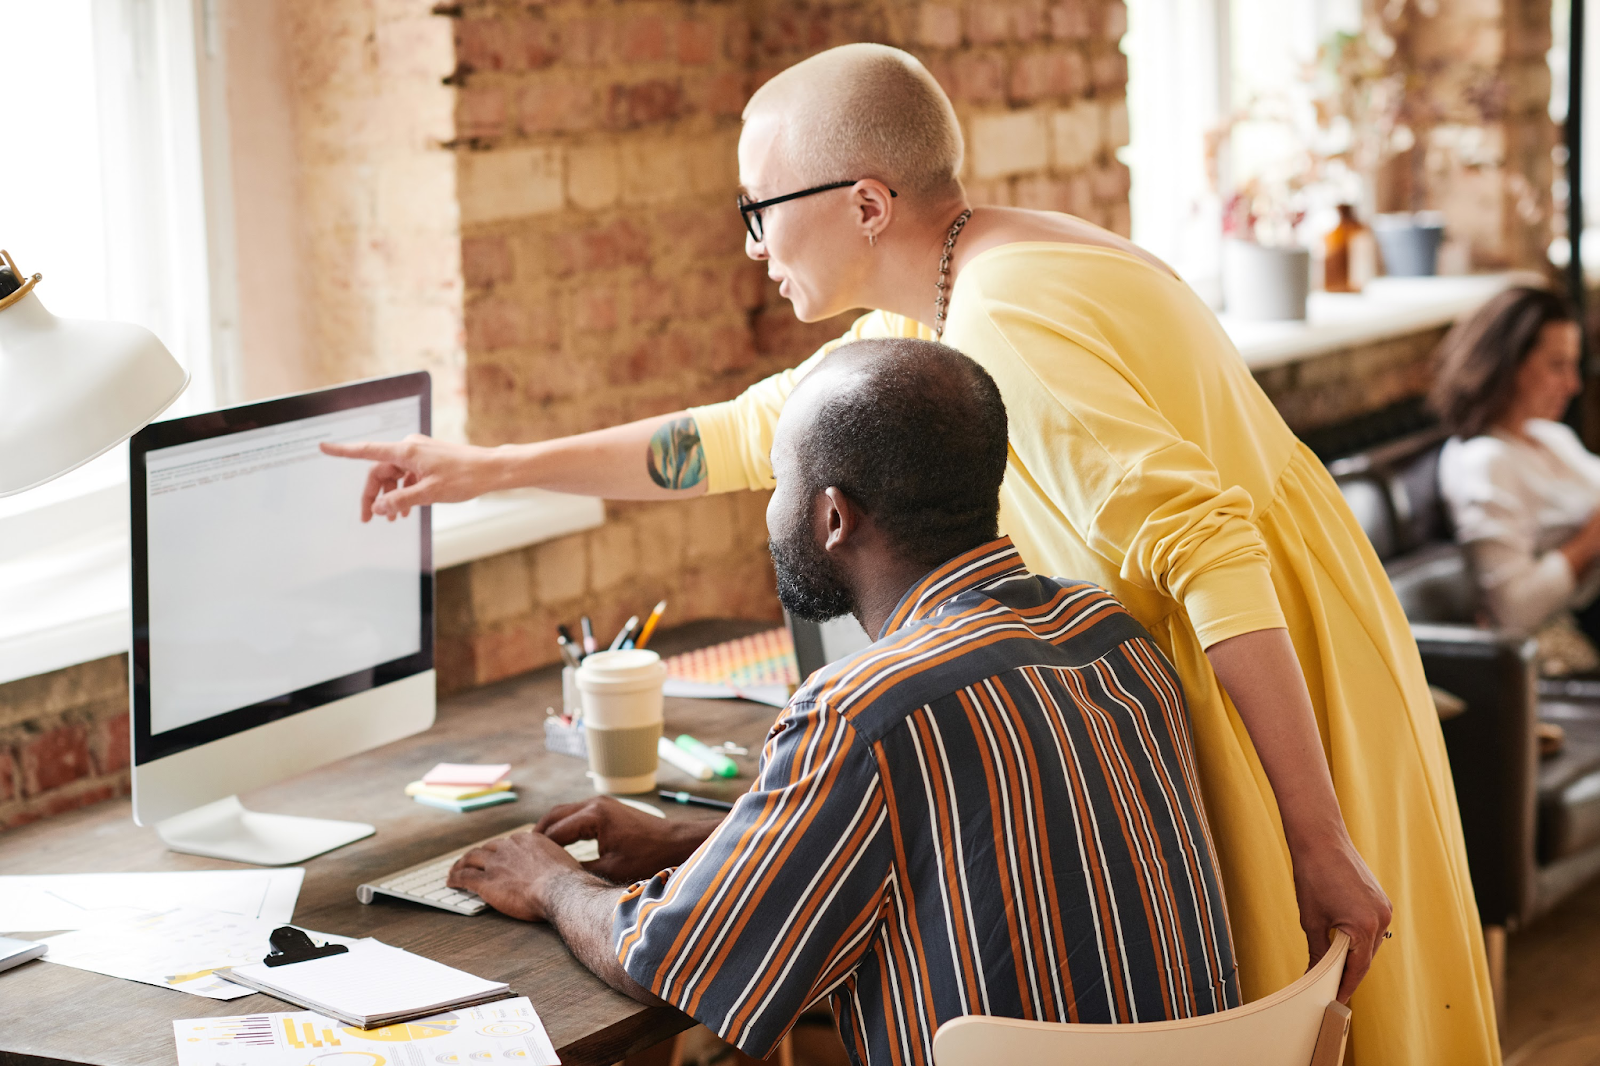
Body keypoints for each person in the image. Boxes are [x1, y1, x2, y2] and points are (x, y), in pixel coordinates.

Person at [328, 43, 1496, 1064]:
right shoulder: (947, 290)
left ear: (867, 202)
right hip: (1233, 645)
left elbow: (1207, 546)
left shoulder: (1003, 317)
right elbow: (746, 432)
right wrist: (490, 467)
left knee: (1319, 959)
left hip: (1259, 668)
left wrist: (1314, 831)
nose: (749, 246)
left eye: (758, 209)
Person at [447, 338, 1240, 1064]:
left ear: (832, 515)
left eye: (778, 480)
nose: (767, 508)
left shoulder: (863, 711)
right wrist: (701, 841)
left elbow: (671, 962)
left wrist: (551, 882)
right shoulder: (1110, 633)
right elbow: (962, 832)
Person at [1432, 287, 1600, 645]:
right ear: (1508, 364)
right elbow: (1514, 609)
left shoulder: (1551, 436)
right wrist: (1590, 540)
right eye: (1557, 365)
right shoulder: (1484, 463)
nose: (1573, 385)